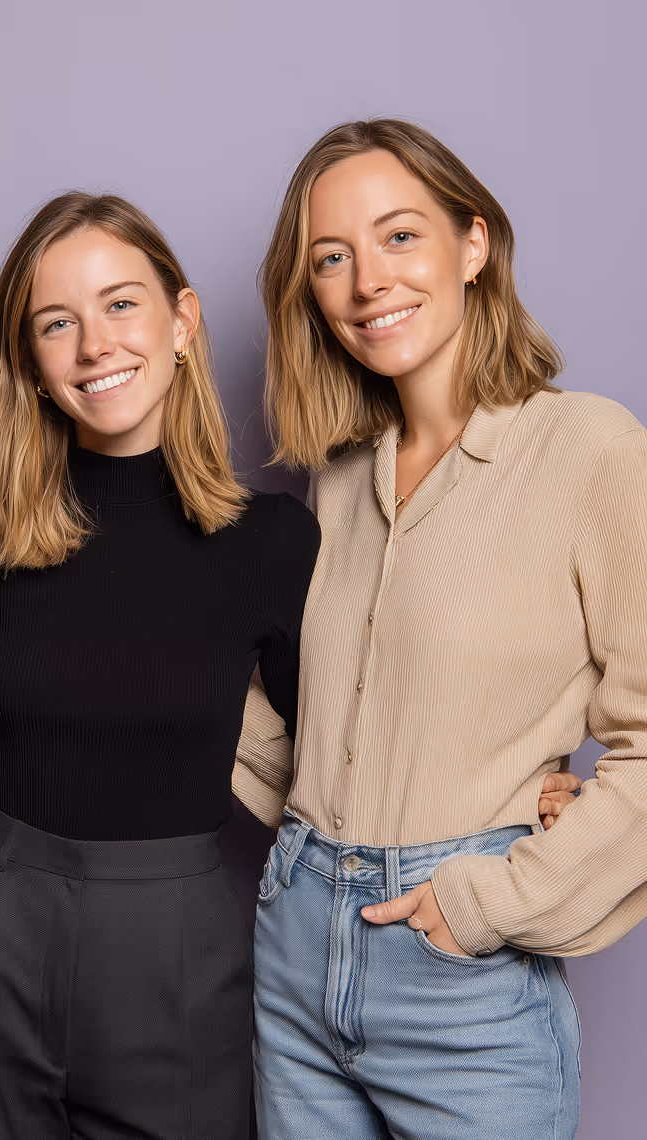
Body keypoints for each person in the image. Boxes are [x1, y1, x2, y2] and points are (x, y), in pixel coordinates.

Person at [236, 118, 647, 1140]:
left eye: (400, 237)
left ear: (474, 246)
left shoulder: (587, 448)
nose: (367, 279)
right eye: (332, 258)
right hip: (292, 948)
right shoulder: (333, 484)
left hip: (462, 976)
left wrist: (498, 897)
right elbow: (312, 728)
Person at [0, 191, 321, 1139]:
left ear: (182, 319)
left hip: (176, 933)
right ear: (29, 358)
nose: (95, 344)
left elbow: (348, 752)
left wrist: (530, 778)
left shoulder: (271, 543)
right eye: (56, 322)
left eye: (121, 304)